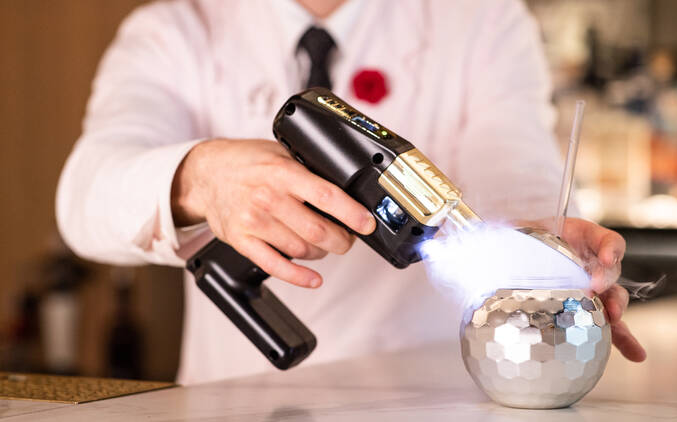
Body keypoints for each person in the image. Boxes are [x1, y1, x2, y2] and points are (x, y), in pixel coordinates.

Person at [56, 0, 646, 384]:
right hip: (238, 396)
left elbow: (513, 164)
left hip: (431, 395)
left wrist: (543, 243)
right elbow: (84, 196)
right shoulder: (175, 29)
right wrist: (201, 177)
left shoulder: (481, 20)